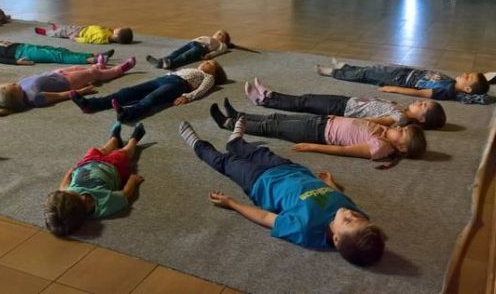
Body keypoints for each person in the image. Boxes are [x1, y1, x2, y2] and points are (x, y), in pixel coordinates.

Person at [177, 118, 386, 266]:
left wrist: (232, 203)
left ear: (337, 240)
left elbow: (266, 217)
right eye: (356, 216)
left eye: (348, 220)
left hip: (260, 183)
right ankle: (235, 142)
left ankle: (198, 145)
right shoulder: (354, 215)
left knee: (226, 162)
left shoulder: (305, 229)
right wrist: (331, 185)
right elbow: (340, 198)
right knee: (256, 152)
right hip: (289, 169)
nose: (350, 213)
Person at [210, 99, 426, 161]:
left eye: (403, 133)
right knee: (277, 117)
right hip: (325, 121)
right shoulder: (385, 131)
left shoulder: (380, 147)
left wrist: (311, 147)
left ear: (401, 147)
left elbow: (344, 150)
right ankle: (238, 116)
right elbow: (361, 121)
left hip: (317, 134)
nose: (400, 128)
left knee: (273, 126)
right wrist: (337, 117)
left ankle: (227, 124)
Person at [45, 121, 147, 236]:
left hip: (87, 162)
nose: (70, 190)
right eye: (75, 194)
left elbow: (63, 187)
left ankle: (114, 139)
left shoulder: (66, 195)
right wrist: (133, 180)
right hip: (113, 167)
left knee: (100, 150)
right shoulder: (105, 204)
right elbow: (125, 194)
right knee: (123, 153)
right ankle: (134, 139)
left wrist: (69, 173)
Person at [244, 77, 446, 129]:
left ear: (422, 119)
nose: (420, 102)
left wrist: (345, 121)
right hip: (347, 102)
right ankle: (270, 95)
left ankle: (264, 100)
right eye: (424, 102)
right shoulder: (400, 109)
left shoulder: (400, 118)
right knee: (307, 98)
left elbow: (374, 122)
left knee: (304, 103)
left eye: (424, 106)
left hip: (344, 110)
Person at [71, 60, 227, 121]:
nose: (205, 62)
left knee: (152, 98)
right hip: (164, 79)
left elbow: (202, 90)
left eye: (210, 64)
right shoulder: (194, 68)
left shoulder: (208, 77)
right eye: (207, 60)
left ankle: (128, 114)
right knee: (127, 92)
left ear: (214, 73)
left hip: (179, 85)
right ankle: (91, 104)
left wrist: (188, 97)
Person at [0, 57, 137, 116]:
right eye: (12, 86)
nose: (13, 83)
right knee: (92, 74)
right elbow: (60, 96)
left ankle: (99, 65)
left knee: (79, 68)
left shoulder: (20, 86)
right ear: (16, 96)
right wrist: (82, 91)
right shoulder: (34, 98)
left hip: (56, 74)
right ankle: (119, 69)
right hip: (66, 82)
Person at [317, 60, 490, 103]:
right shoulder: (452, 82)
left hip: (399, 80)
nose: (465, 74)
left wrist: (394, 89)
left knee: (368, 74)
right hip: (406, 72)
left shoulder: (447, 90)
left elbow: (421, 93)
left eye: (468, 77)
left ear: (467, 89)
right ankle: (346, 67)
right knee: (373, 69)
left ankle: (334, 72)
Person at [0, 36, 113, 66]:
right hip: (21, 53)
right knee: (56, 55)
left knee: (58, 49)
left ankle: (93, 55)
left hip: (22, 47)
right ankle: (91, 60)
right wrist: (16, 62)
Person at [145, 30, 231, 69]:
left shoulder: (221, 44)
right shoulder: (209, 37)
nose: (219, 34)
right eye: (218, 33)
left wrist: (209, 55)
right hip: (193, 43)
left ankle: (171, 63)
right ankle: (161, 61)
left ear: (224, 40)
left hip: (202, 48)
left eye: (222, 35)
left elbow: (219, 51)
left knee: (185, 56)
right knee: (177, 52)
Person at [34, 23, 134, 45]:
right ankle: (57, 29)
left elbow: (88, 40)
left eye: (119, 29)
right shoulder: (109, 32)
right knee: (66, 27)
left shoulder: (102, 38)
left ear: (116, 36)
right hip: (83, 29)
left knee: (63, 32)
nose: (118, 27)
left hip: (78, 33)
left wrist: (76, 39)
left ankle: (47, 33)